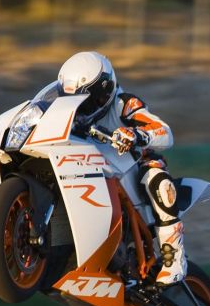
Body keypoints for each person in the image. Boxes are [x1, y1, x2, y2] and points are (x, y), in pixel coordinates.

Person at [57, 51, 186, 287]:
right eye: (71, 98)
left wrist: (137, 134)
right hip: (90, 164)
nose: (79, 106)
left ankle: (174, 257)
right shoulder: (69, 113)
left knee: (157, 179)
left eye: (85, 99)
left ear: (104, 90)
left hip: (130, 166)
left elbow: (164, 131)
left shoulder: (124, 103)